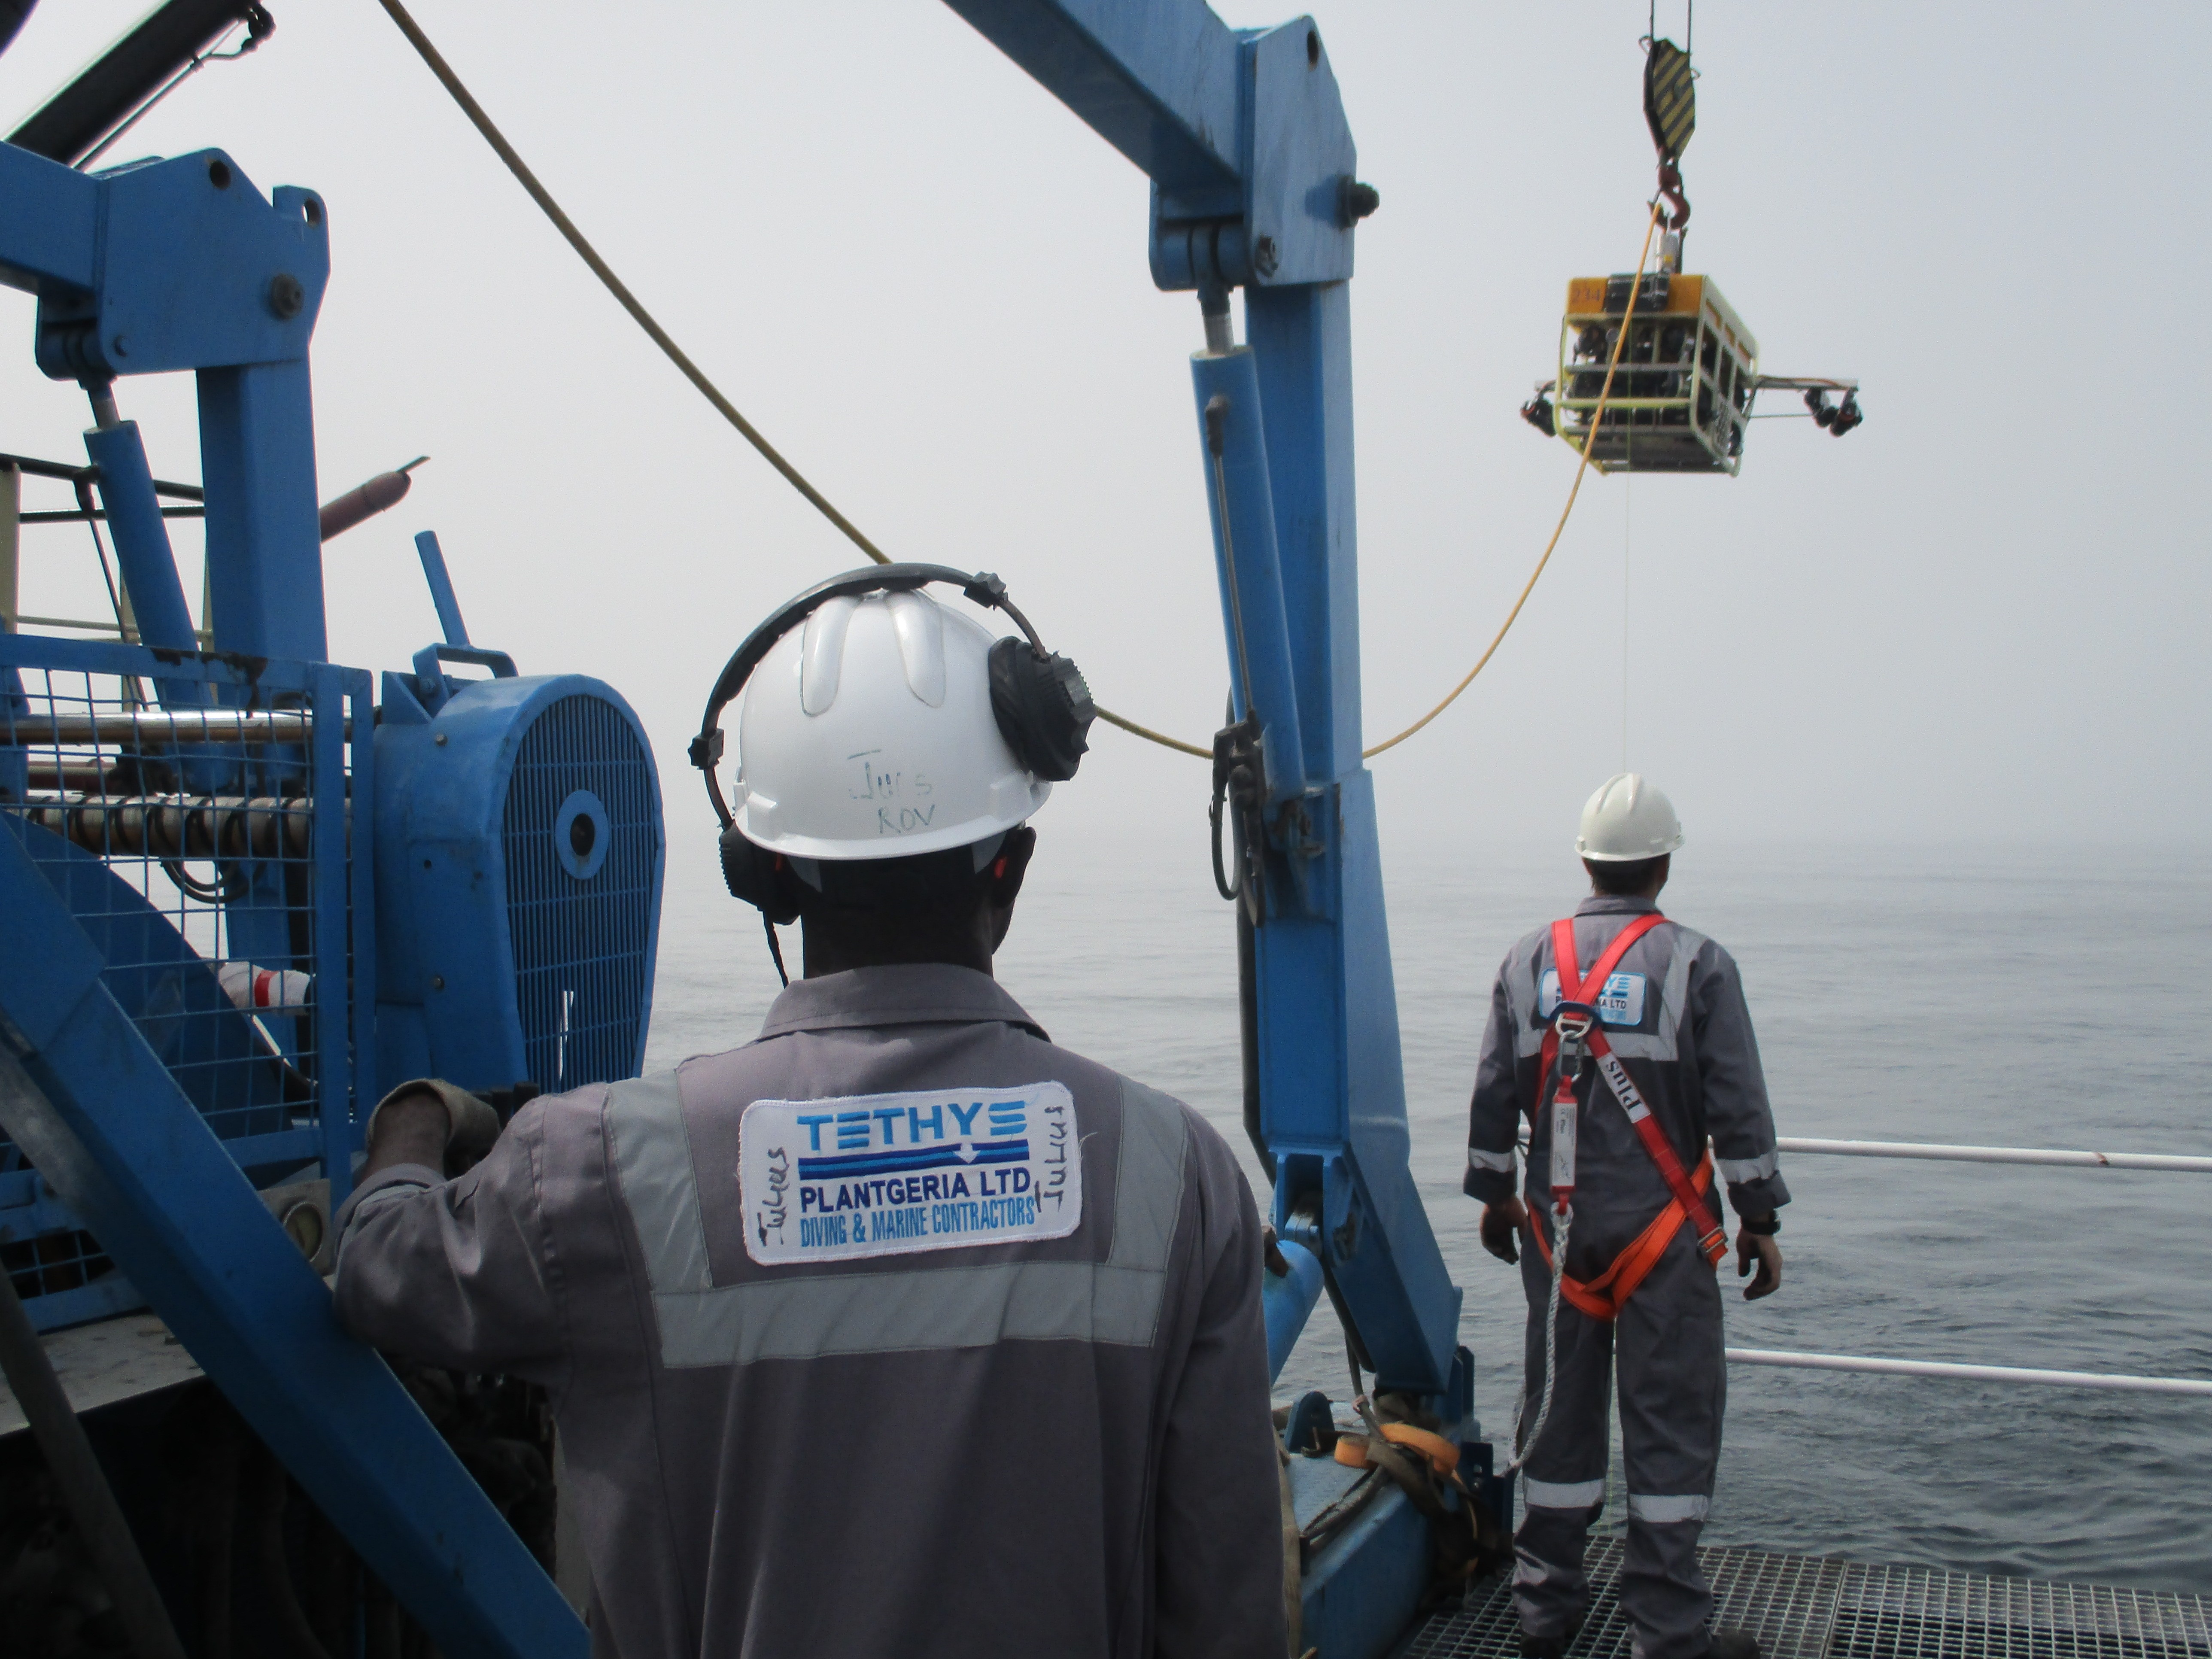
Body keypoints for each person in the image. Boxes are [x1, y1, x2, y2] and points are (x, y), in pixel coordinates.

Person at [334, 574, 1288, 1659]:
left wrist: (413, 1126)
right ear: (1009, 873)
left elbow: (380, 1272)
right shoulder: (1180, 1183)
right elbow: (1226, 1611)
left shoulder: (596, 1169)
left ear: (765, 876)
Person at [1462, 774, 1787, 1659]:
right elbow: (1736, 1106)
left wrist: (1495, 1196)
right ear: (1662, 867)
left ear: (1584, 859)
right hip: (1661, 1241)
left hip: (1557, 1240)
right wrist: (1757, 1217)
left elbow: (1493, 1100)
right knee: (1669, 1432)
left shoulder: (1527, 960)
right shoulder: (1696, 964)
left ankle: (1541, 1617)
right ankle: (1668, 1636)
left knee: (1558, 1423)